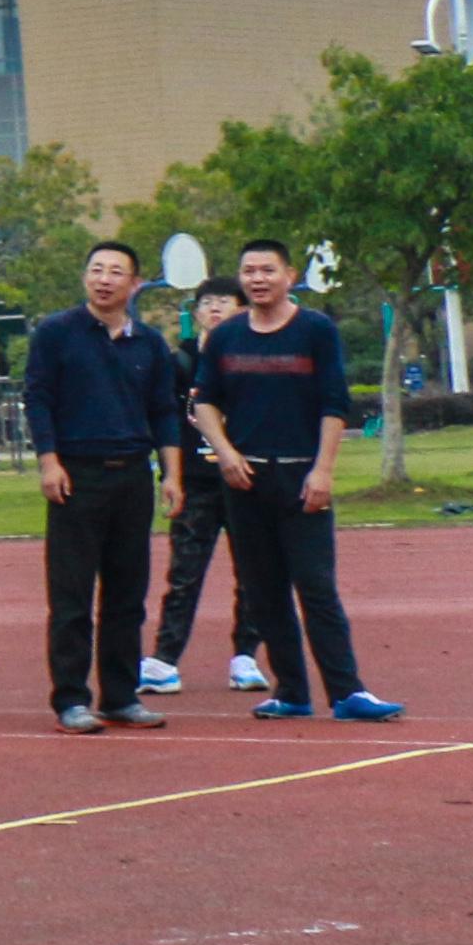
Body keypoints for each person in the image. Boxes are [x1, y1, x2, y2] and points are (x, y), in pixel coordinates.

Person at [193, 239, 404, 723]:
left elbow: (335, 403)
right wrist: (224, 453)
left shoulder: (314, 330)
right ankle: (291, 692)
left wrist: (323, 470)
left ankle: (347, 692)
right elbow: (204, 401)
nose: (258, 279)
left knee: (315, 587)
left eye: (268, 270)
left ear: (289, 275)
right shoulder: (225, 338)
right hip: (245, 482)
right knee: (263, 590)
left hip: (302, 477)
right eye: (249, 271)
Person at [23, 240, 187, 732]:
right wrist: (49, 463)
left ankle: (119, 696)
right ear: (85, 277)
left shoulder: (150, 343)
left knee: (127, 593)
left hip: (132, 476)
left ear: (135, 284)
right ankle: (71, 698)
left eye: (117, 272)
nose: (104, 279)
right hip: (76, 474)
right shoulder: (56, 333)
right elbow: (39, 398)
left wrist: (172, 475)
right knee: (71, 594)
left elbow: (164, 410)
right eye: (96, 269)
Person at [143, 279, 272, 698]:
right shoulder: (179, 362)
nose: (215, 310)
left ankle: (246, 657)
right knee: (184, 573)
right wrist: (171, 476)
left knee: (253, 572)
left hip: (245, 478)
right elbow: (166, 420)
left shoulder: (252, 358)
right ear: (196, 312)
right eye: (207, 303)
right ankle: (164, 660)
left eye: (224, 303)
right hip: (197, 482)